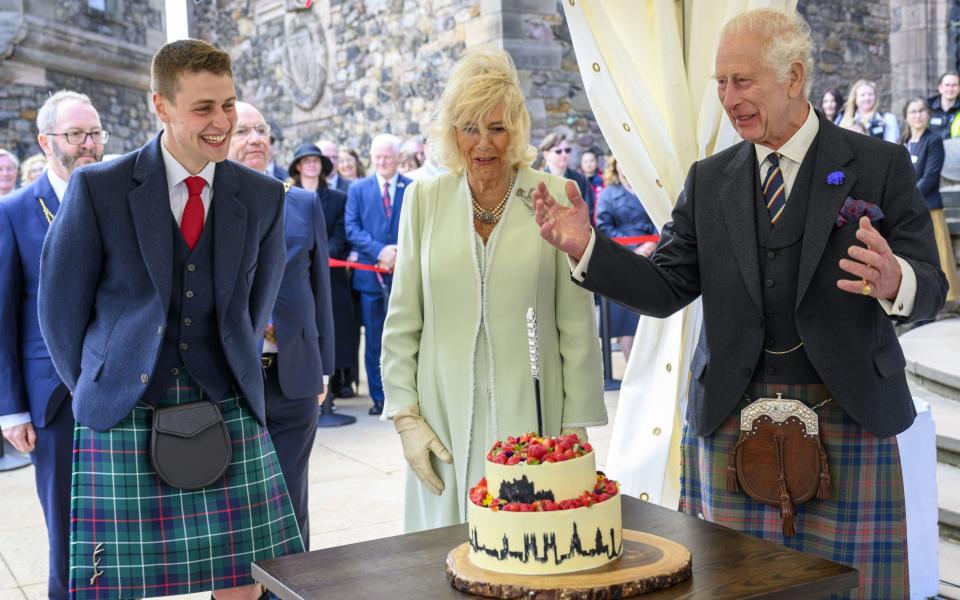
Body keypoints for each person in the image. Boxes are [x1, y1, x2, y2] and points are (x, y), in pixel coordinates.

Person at [533, 8, 946, 598]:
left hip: (850, 412)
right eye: (719, 83)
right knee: (735, 588)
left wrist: (895, 280)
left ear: (795, 78)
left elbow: (932, 286)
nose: (728, 98)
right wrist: (586, 246)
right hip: (730, 414)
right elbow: (664, 286)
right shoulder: (708, 180)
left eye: (742, 81)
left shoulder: (879, 166)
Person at [38, 39, 303, 599]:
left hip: (226, 402)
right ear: (161, 106)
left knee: (245, 578)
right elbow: (59, 312)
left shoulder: (261, 197)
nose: (222, 122)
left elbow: (255, 308)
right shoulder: (99, 188)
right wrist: (101, 384)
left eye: (228, 105)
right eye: (203, 108)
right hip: (124, 410)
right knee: (116, 587)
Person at [381, 48, 606, 534]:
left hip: (534, 422)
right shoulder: (423, 200)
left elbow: (575, 321)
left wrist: (575, 425)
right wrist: (405, 417)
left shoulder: (554, 195)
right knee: (442, 564)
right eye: (469, 127)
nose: (483, 143)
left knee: (529, 553)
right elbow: (402, 321)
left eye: (497, 128)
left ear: (517, 131)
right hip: (441, 424)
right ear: (451, 133)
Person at [0, 90, 105, 600]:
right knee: (67, 530)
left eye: (94, 133)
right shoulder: (15, 211)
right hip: (51, 398)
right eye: (75, 135)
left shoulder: (121, 200)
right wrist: (11, 408)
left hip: (120, 391)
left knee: (123, 526)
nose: (88, 144)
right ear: (45, 142)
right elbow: (2, 317)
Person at [227, 101, 336, 549]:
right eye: (243, 131)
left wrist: (323, 366)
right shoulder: (205, 205)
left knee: (292, 499)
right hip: (234, 381)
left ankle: (291, 589)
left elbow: (320, 289)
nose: (256, 138)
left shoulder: (303, 203)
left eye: (262, 130)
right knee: (237, 504)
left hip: (295, 375)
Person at [345, 133, 411, 416]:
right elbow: (352, 228)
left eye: (387, 156)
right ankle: (379, 397)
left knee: (403, 339)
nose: (382, 162)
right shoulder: (359, 189)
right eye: (377, 157)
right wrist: (380, 251)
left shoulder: (412, 188)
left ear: (398, 158)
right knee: (374, 340)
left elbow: (416, 226)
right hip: (370, 280)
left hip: (403, 277)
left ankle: (404, 395)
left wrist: (398, 251)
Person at [595, 157, 657, 362]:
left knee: (650, 314)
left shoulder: (650, 190)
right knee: (626, 317)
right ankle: (631, 364)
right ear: (615, 166)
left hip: (653, 254)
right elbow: (603, 227)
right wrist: (633, 248)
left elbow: (662, 217)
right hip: (622, 257)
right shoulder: (608, 194)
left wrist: (651, 244)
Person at [903, 97, 960, 303]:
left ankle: (937, 301)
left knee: (937, 258)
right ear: (906, 117)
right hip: (909, 211)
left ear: (928, 115)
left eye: (921, 111)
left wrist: (907, 199)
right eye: (913, 112)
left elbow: (930, 177)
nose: (917, 115)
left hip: (929, 209)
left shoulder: (933, 140)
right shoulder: (905, 142)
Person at [539, 132, 596, 222]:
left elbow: (589, 212)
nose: (564, 154)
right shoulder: (538, 181)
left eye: (567, 150)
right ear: (546, 154)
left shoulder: (581, 180)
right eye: (558, 151)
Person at [839, 79, 900, 143]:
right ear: (855, 98)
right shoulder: (845, 121)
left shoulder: (887, 119)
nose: (867, 98)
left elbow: (892, 145)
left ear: (875, 97)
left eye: (870, 94)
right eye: (862, 95)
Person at [927, 71, 959, 139]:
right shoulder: (927, 108)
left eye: (954, 85)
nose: (950, 89)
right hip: (932, 149)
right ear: (940, 88)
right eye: (947, 85)